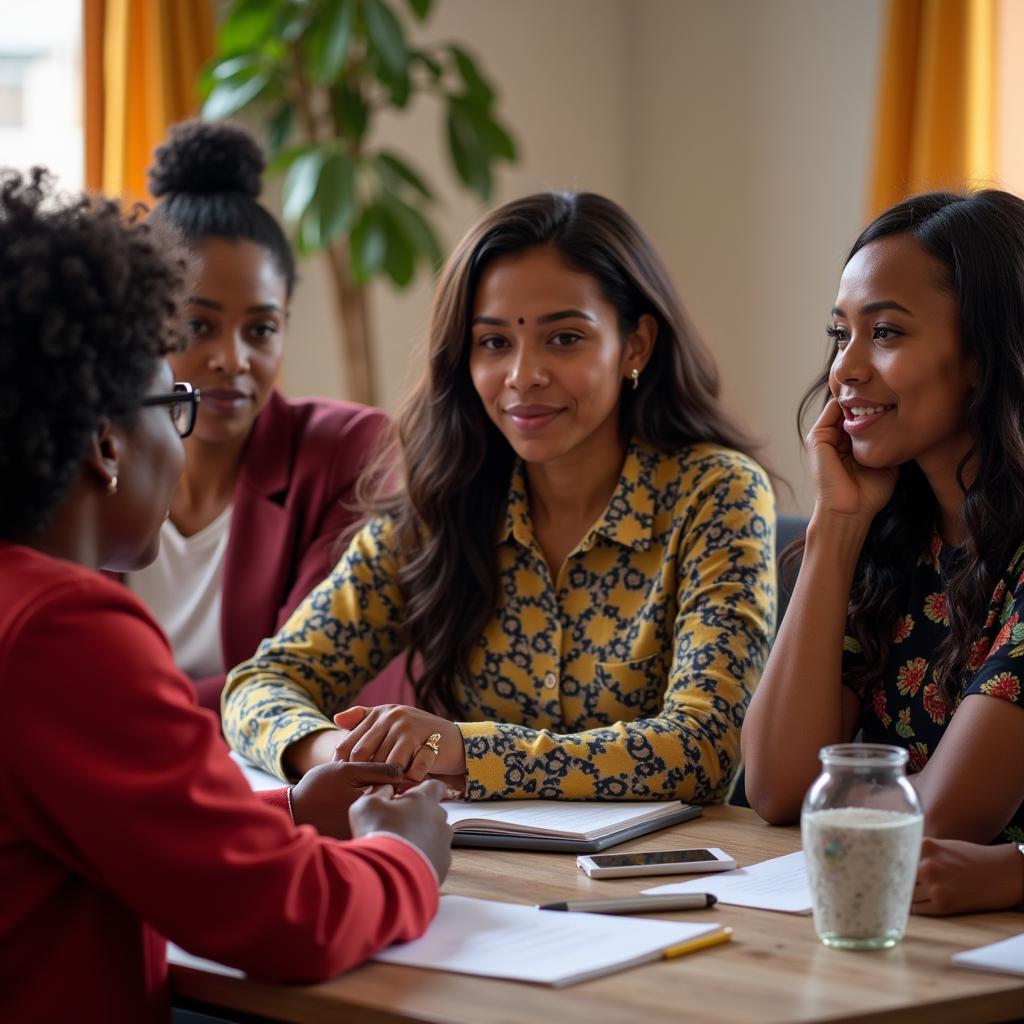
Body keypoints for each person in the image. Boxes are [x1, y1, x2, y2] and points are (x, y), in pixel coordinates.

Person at [0, 168, 451, 1024]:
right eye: (170, 403)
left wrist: (281, 807)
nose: (187, 428)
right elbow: (292, 918)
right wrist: (407, 854)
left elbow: (87, 815)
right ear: (104, 442)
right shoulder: (63, 628)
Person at [223, 191, 776, 803]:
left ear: (636, 346)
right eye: (493, 343)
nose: (522, 375)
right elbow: (260, 683)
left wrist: (465, 751)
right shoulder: (442, 502)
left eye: (564, 339)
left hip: (661, 886)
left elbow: (706, 745)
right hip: (477, 873)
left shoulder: (717, 494)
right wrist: (341, 757)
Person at [741, 190, 1024, 914]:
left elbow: (934, 824)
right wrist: (838, 522)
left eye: (887, 333)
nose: (845, 370)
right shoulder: (896, 537)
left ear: (984, 354)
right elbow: (776, 788)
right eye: (841, 335)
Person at [125, 119, 405, 713]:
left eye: (261, 330)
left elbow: (318, 680)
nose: (233, 359)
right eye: (197, 326)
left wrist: (120, 705)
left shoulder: (349, 451)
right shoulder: (86, 454)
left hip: (278, 783)